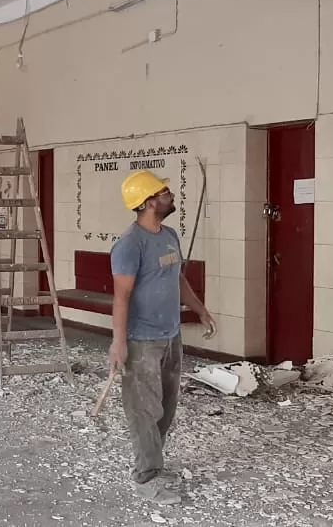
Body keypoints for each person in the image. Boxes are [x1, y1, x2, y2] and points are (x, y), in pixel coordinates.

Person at [108, 169, 216, 505]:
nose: (170, 195)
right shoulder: (129, 245)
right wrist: (119, 341)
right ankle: (146, 477)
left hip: (171, 335)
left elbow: (178, 278)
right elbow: (121, 296)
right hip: (142, 340)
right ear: (148, 202)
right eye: (164, 192)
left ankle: (155, 464)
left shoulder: (169, 235)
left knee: (166, 409)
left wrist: (200, 309)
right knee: (144, 410)